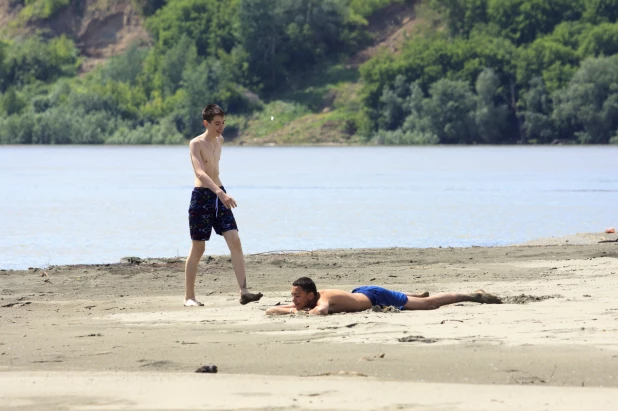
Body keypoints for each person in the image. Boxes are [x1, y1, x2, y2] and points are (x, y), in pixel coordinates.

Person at [184, 104, 263, 307]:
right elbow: (200, 173)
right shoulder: (196, 144)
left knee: (234, 239)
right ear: (206, 123)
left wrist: (221, 192)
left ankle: (244, 291)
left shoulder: (220, 140)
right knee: (198, 248)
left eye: (223, 123)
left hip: (220, 194)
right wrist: (219, 193)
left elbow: (215, 171)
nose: (221, 127)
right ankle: (189, 297)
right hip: (202, 197)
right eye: (217, 124)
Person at [265, 277, 501, 315]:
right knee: (414, 298)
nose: (294, 299)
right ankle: (412, 294)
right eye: (293, 296)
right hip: (363, 293)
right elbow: (272, 309)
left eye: (297, 296)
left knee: (429, 305)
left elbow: (320, 312)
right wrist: (290, 309)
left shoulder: (323, 298)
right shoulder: (308, 300)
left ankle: (473, 295)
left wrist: (296, 312)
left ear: (310, 295)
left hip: (376, 297)